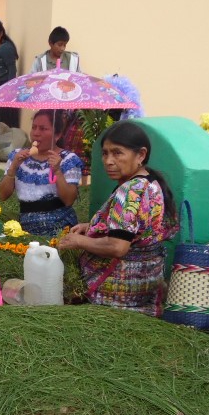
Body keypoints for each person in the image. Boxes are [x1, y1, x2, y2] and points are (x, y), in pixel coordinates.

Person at [58, 120, 178, 317]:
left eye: (117, 153)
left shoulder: (129, 191)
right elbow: (136, 227)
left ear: (141, 155)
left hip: (117, 292)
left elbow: (118, 247)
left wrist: (79, 241)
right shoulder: (151, 184)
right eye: (105, 153)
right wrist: (92, 226)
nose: (108, 161)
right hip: (147, 286)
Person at [0, 110, 83, 237]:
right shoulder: (17, 156)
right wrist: (14, 166)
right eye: (34, 128)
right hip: (26, 227)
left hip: (60, 227)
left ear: (58, 135)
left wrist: (57, 171)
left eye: (43, 129)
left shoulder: (68, 159)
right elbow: (2, 195)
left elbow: (69, 200)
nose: (36, 133)